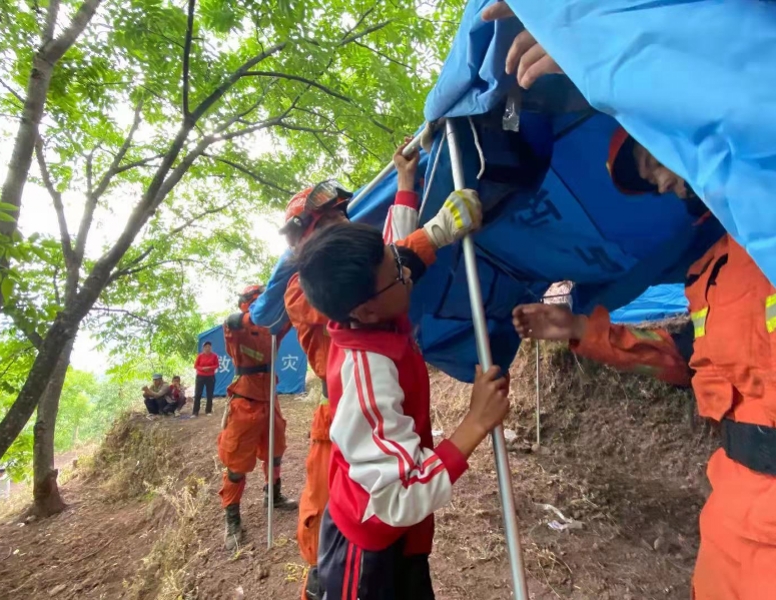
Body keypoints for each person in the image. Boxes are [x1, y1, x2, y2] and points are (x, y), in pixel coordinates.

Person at [512, 129, 776, 600]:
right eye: (651, 179)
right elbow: (683, 359)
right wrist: (578, 329)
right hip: (734, 505)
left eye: (655, 162)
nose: (661, 184)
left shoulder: (767, 232)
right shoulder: (707, 269)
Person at [282, 139, 465, 599]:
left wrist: (405, 184)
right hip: (340, 428)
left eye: (344, 218)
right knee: (329, 550)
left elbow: (389, 261)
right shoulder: (306, 290)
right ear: (308, 240)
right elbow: (389, 268)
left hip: (384, 429)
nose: (345, 227)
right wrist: (433, 234)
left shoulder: (375, 300)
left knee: (394, 545)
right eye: (331, 223)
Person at [293, 220, 510, 600]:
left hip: (397, 534)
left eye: (395, 258)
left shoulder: (369, 306)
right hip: (367, 553)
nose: (406, 273)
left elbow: (403, 255)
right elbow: (397, 496)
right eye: (396, 273)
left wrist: (421, 207)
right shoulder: (368, 376)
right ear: (366, 311)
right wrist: (475, 422)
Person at [218, 284, 298, 550]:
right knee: (237, 463)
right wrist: (260, 312)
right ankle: (232, 519)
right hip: (245, 402)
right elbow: (231, 322)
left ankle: (272, 495)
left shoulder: (274, 328)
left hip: (269, 398)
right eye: (257, 300)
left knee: (275, 451)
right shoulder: (237, 327)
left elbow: (293, 311)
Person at [193, 341, 219, 417]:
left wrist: (209, 368)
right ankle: (195, 412)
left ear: (211, 348)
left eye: (209, 347)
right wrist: (202, 368)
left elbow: (217, 365)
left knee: (210, 394)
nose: (207, 348)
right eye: (206, 347)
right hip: (200, 376)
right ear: (203, 348)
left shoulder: (214, 356)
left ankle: (208, 411)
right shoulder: (200, 356)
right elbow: (195, 366)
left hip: (210, 376)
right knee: (198, 394)